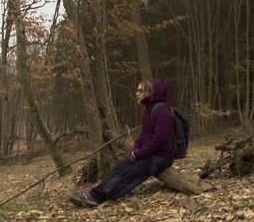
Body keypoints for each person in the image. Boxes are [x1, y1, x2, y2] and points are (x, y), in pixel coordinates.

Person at [69, 78, 176, 207]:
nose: (137, 94)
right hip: (148, 153)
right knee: (120, 168)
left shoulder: (162, 111)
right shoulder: (148, 110)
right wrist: (136, 147)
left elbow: (160, 139)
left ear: (151, 93)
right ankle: (93, 195)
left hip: (161, 157)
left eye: (140, 91)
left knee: (133, 173)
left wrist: (140, 153)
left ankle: (100, 198)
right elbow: (145, 135)